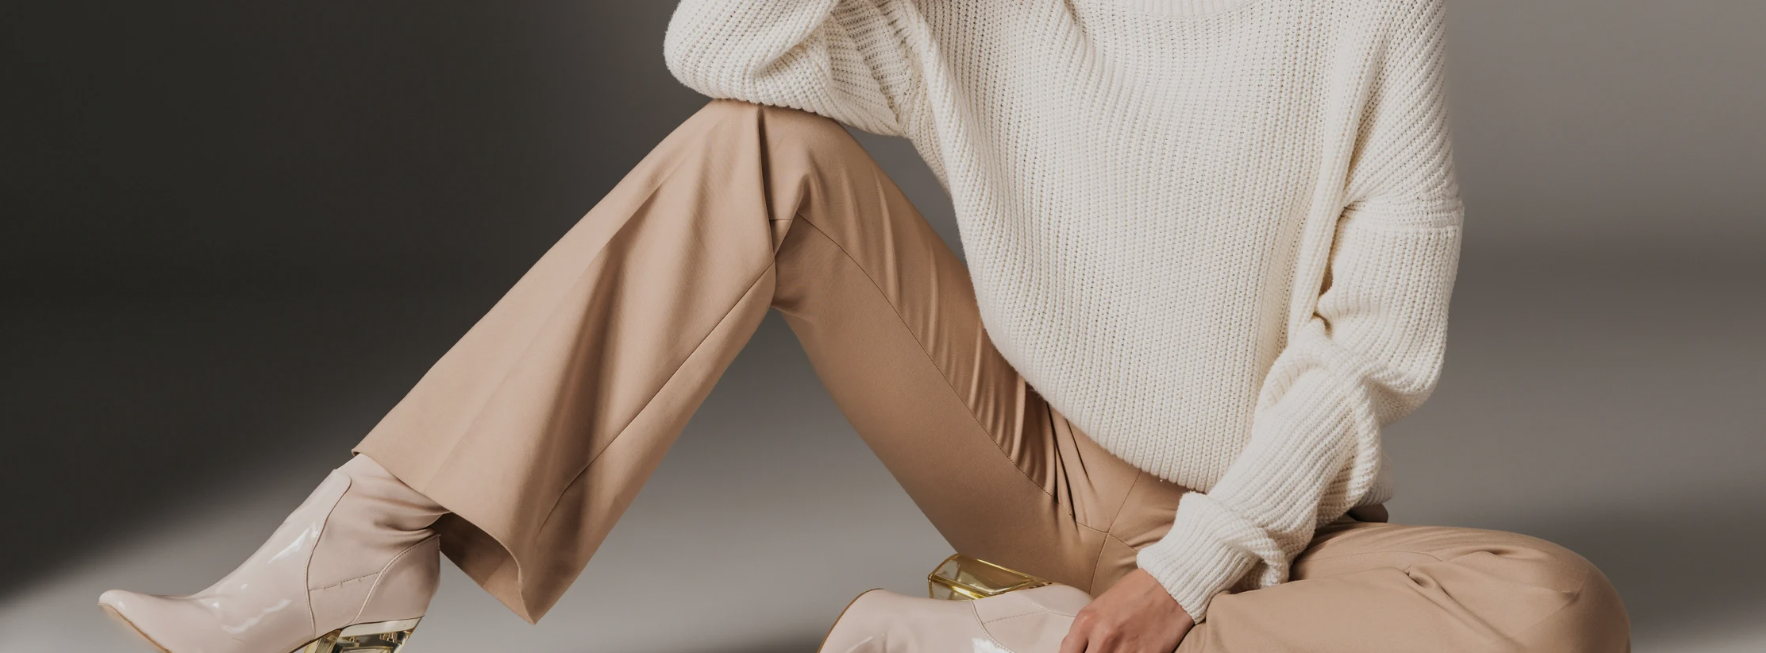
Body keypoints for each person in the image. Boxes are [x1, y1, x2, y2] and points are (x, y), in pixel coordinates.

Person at [97, 0, 1633, 651]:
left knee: (1555, 609)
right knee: (751, 151)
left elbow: (1368, 349)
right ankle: (368, 535)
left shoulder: (1360, 15)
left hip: (1271, 523)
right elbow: (721, 47)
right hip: (1026, 461)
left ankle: (1010, 640)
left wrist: (1188, 570)